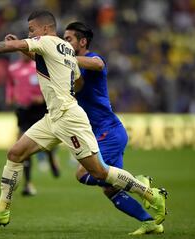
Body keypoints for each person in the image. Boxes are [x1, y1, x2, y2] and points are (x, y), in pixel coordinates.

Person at [0, 10, 166, 228]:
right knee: (15, 153)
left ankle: (150, 193)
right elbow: (76, 81)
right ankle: (1, 211)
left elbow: (12, 46)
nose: (29, 34)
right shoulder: (66, 53)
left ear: (45, 29)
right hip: (53, 117)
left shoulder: (47, 42)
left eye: (32, 29)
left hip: (68, 117)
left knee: (98, 172)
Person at [64, 22, 166, 235]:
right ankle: (150, 222)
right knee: (110, 189)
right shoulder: (72, 66)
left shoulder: (93, 59)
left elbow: (98, 64)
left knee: (82, 174)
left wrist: (64, 56)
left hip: (108, 131)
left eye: (68, 40)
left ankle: (141, 185)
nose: (64, 44)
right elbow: (48, 61)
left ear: (82, 42)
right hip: (105, 131)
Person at [6, 53, 60, 196]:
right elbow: (10, 84)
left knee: (45, 142)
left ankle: (51, 157)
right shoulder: (13, 68)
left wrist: (42, 98)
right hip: (23, 109)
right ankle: (28, 184)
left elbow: (51, 84)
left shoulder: (39, 66)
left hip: (39, 109)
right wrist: (10, 96)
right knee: (23, 147)